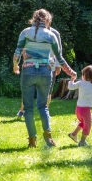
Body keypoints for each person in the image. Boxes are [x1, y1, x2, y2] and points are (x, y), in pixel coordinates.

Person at [13, 8, 76, 148]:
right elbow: (59, 59)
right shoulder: (51, 35)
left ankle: (32, 140)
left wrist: (15, 66)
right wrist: (71, 72)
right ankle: (48, 137)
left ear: (34, 18)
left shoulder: (25, 32)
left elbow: (17, 53)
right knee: (43, 106)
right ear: (47, 20)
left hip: (28, 71)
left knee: (28, 108)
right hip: (45, 72)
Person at [16, 26, 62, 118]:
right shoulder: (32, 31)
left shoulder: (55, 33)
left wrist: (58, 65)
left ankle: (45, 112)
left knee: (48, 91)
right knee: (28, 90)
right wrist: (25, 60)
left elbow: (59, 50)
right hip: (31, 65)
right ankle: (22, 110)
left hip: (50, 66)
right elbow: (24, 47)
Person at [68, 65, 92, 146]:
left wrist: (72, 80)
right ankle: (82, 141)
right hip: (86, 110)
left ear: (84, 75)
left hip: (78, 109)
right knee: (88, 125)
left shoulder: (80, 83)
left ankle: (74, 134)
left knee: (83, 123)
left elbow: (70, 87)